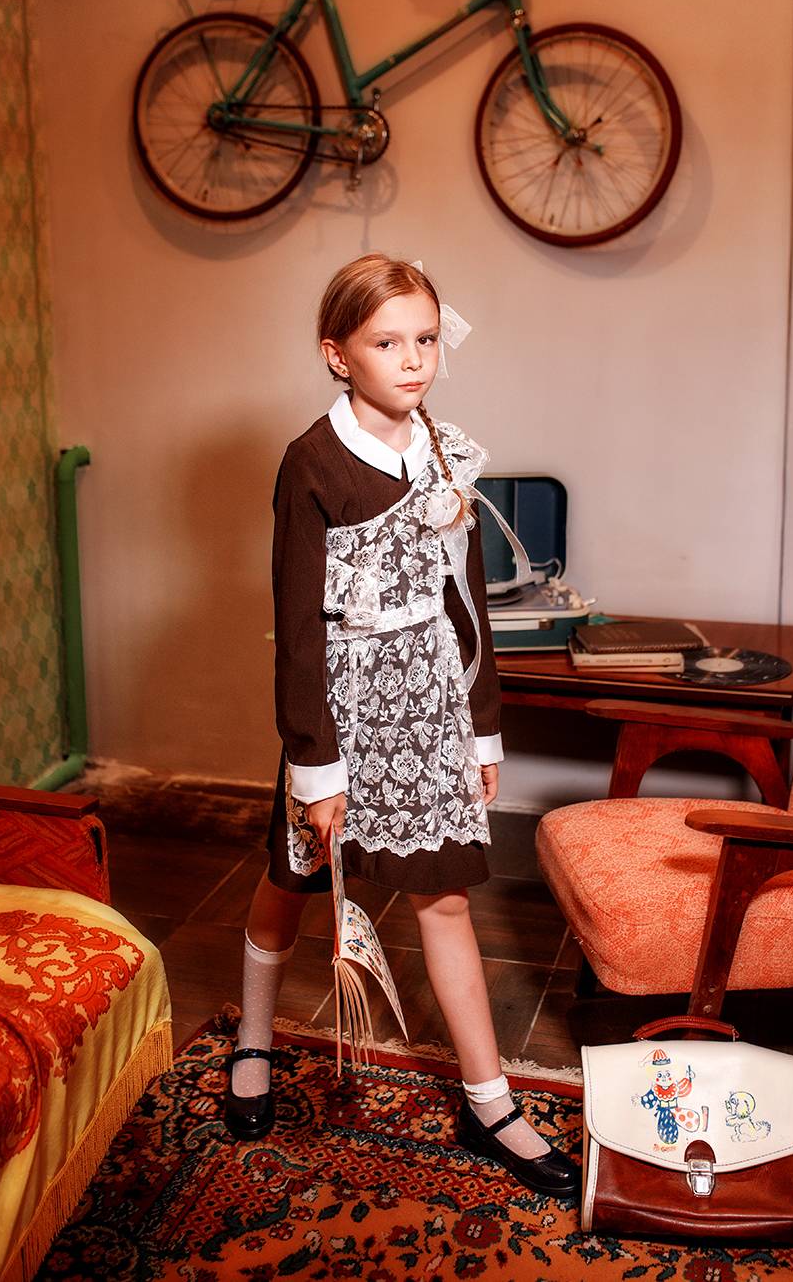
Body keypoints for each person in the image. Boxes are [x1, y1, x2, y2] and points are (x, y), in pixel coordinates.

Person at [226, 253, 577, 1199]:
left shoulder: (445, 451)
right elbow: (298, 627)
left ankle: (490, 1101)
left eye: (425, 339)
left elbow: (468, 600)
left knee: (446, 898)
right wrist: (317, 768)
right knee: (291, 880)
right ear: (337, 354)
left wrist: (482, 729)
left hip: (430, 705)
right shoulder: (312, 463)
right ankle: (254, 1037)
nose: (414, 359)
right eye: (388, 343)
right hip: (338, 715)